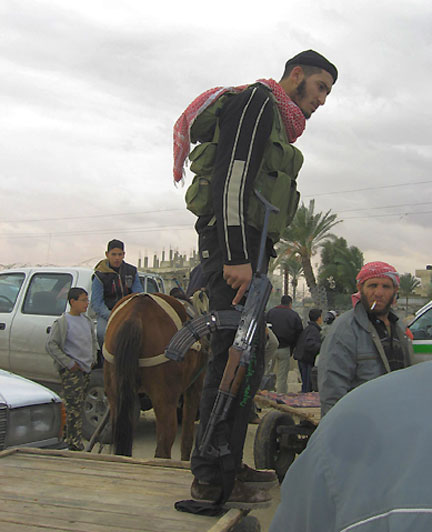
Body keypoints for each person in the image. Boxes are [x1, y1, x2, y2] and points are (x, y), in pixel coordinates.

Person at [173, 50, 338, 508]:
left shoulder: (276, 119)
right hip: (235, 251)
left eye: (328, 92)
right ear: (297, 74)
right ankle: (209, 478)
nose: (322, 99)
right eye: (320, 87)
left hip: (252, 252)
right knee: (230, 356)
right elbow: (232, 178)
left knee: (247, 357)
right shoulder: (257, 103)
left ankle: (227, 465)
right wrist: (237, 255)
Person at [270, 361, 432, 532]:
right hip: (363, 427)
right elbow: (332, 380)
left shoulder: (394, 338)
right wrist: (339, 421)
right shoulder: (345, 336)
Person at [318, 261, 413, 416]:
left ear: (395, 290)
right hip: (361, 422)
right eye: (372, 285)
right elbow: (332, 387)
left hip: (394, 419)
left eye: (386, 287)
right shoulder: (345, 329)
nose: (379, 293)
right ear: (360, 288)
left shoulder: (399, 329)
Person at [46, 288, 98, 450]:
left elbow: (92, 341)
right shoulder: (63, 322)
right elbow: (51, 345)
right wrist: (68, 363)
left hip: (85, 370)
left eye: (87, 300)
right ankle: (74, 442)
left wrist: (93, 359)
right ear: (72, 301)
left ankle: (69, 438)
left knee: (78, 405)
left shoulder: (87, 321)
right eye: (83, 300)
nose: (86, 303)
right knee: (72, 406)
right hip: (71, 372)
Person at [91, 239, 142, 347]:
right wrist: (112, 315)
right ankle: (104, 360)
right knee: (102, 334)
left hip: (129, 312)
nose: (117, 258)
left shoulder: (131, 271)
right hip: (108, 313)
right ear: (107, 254)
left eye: (119, 254)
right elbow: (97, 303)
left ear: (124, 255)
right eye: (113, 254)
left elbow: (138, 294)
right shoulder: (100, 275)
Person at [266, 295, 304, 393]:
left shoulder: (271, 312)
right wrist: (293, 348)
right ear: (290, 304)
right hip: (285, 348)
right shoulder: (294, 315)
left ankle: (264, 392)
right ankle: (281, 395)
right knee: (282, 376)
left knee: (266, 372)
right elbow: (299, 333)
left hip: (270, 348)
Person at [293, 308, 322, 392]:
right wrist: (322, 347)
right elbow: (310, 344)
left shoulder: (309, 328)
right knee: (307, 384)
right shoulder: (313, 330)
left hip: (302, 358)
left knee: (306, 383)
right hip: (307, 360)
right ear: (319, 318)